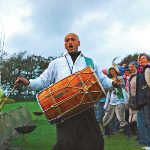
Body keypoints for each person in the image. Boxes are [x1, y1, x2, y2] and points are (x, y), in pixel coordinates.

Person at [15, 33, 121, 150]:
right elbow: (43, 81)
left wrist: (113, 83)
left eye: (73, 39)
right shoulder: (56, 63)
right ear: (65, 45)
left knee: (95, 142)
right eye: (67, 40)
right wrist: (28, 82)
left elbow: (102, 80)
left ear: (78, 43)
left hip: (86, 108)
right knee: (65, 144)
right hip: (64, 110)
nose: (70, 42)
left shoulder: (89, 62)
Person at [103, 64, 128, 138]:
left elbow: (123, 90)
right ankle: (107, 133)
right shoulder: (109, 81)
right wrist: (106, 104)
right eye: (110, 69)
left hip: (119, 102)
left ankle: (128, 133)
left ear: (116, 70)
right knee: (106, 119)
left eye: (113, 69)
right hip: (112, 103)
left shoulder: (120, 78)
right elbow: (109, 93)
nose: (111, 70)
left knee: (121, 119)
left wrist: (125, 101)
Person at [135, 53, 150, 148]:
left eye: (143, 58)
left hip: (147, 100)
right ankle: (145, 141)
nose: (141, 59)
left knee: (148, 122)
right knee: (142, 122)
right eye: (140, 58)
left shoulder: (148, 69)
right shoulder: (140, 71)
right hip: (141, 101)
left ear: (148, 61)